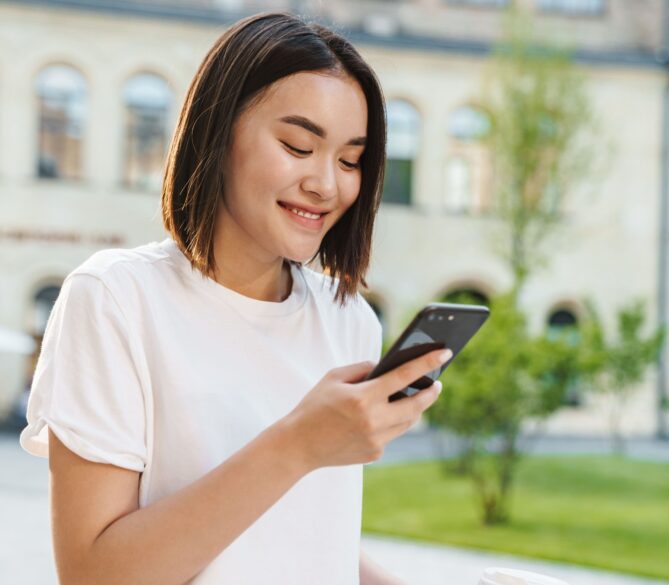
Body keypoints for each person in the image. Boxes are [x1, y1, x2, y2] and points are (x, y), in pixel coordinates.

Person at [19, 12, 452, 585]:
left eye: (350, 160)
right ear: (218, 134)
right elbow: (95, 574)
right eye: (299, 146)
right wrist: (296, 445)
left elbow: (300, 536)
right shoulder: (116, 300)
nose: (328, 184)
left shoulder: (349, 323)